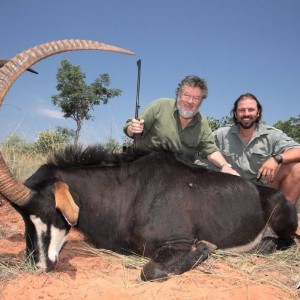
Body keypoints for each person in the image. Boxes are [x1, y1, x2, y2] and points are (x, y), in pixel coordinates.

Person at [123, 75, 239, 176]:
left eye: (196, 98)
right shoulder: (160, 105)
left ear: (201, 101)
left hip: (182, 173)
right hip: (151, 167)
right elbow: (131, 126)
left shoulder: (202, 121)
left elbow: (210, 150)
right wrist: (132, 129)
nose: (190, 101)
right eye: (187, 95)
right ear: (178, 94)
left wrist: (225, 165)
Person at [213, 93, 300, 207]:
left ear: (258, 113)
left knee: (297, 167)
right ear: (235, 114)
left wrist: (276, 159)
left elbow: (298, 150)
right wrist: (223, 165)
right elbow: (204, 149)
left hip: (263, 192)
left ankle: (285, 217)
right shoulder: (221, 135)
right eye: (242, 110)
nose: (246, 114)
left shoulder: (272, 135)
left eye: (251, 110)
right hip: (230, 192)